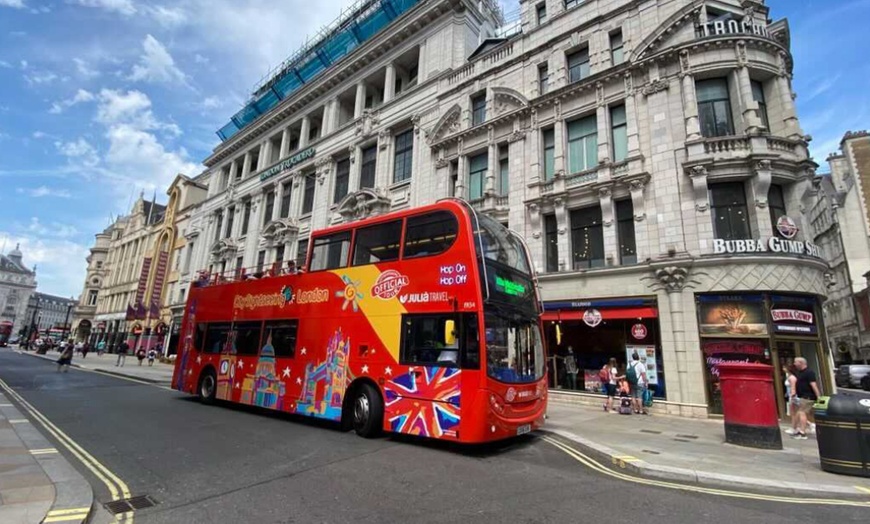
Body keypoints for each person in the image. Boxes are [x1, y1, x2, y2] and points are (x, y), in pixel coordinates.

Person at [792, 357, 820, 440]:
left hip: (808, 396)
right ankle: (796, 429)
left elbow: (813, 385)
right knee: (799, 412)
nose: (794, 364)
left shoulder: (809, 372)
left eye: (795, 362)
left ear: (801, 363)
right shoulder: (800, 372)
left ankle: (802, 432)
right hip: (802, 396)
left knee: (802, 413)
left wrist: (818, 396)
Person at [782, 363, 799, 435]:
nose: (783, 369)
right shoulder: (788, 376)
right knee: (794, 412)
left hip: (793, 396)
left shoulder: (792, 377)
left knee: (794, 413)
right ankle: (795, 427)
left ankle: (794, 428)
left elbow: (793, 387)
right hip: (790, 395)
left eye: (784, 368)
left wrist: (792, 395)